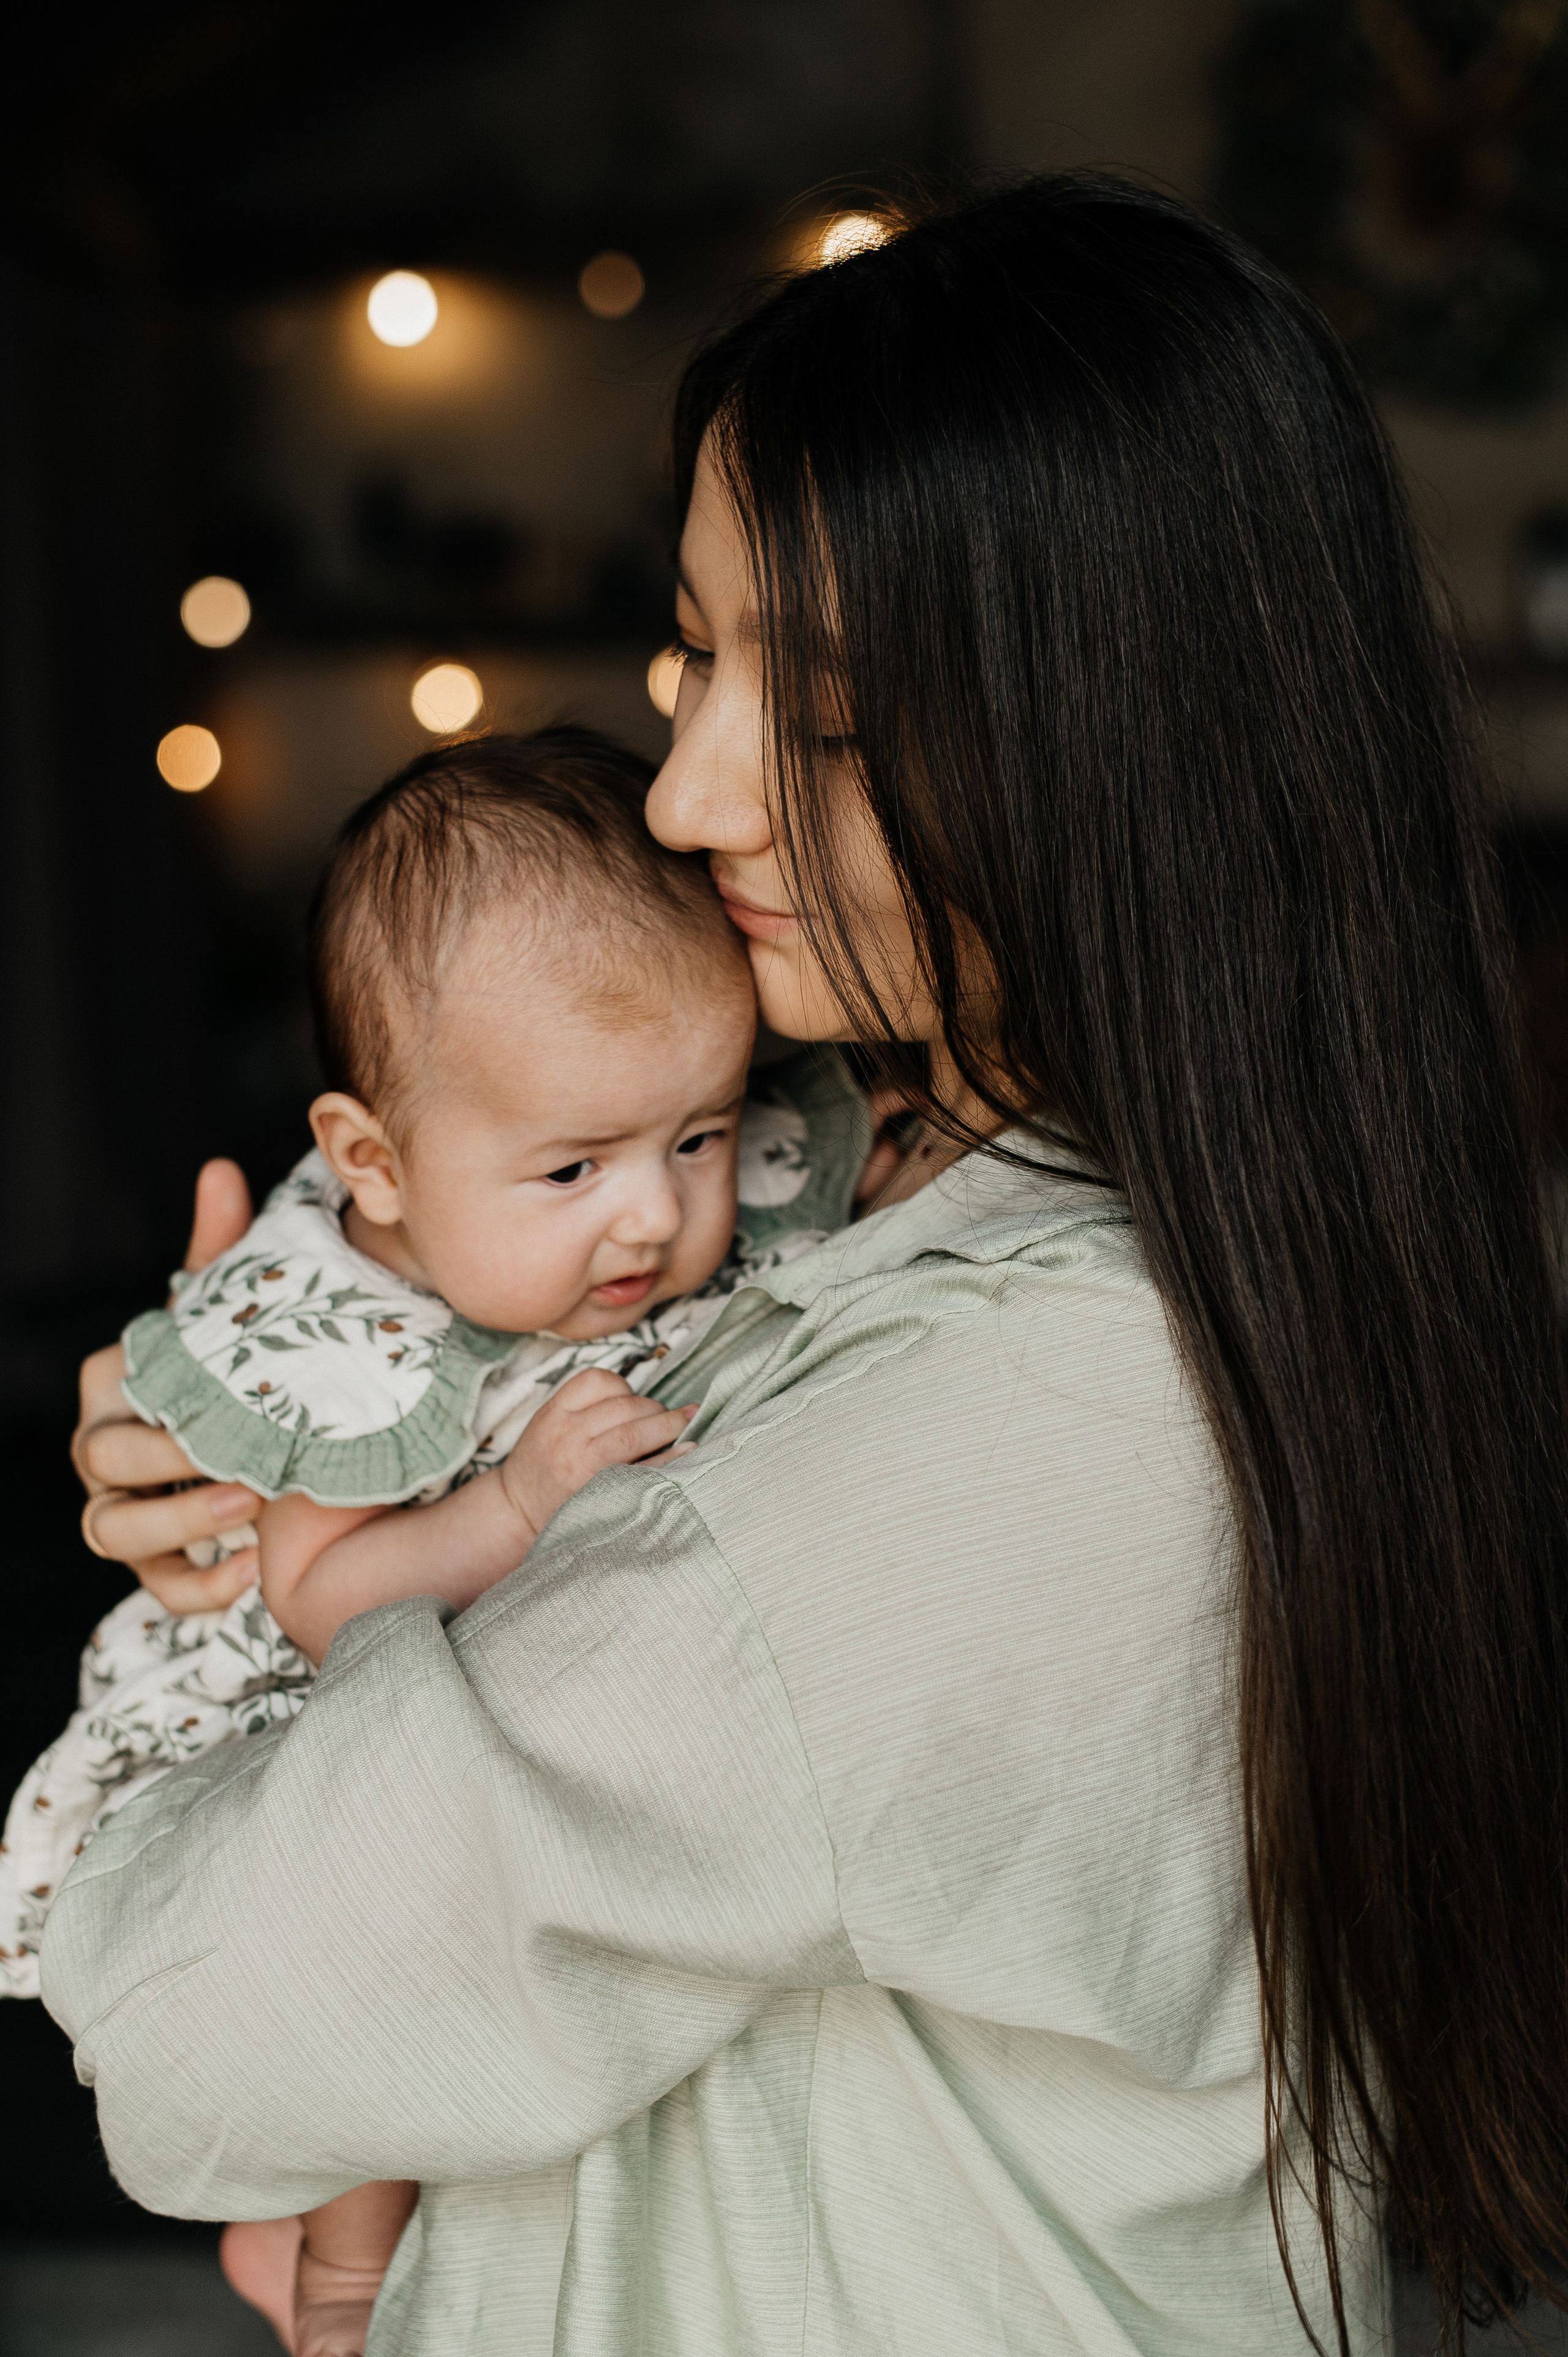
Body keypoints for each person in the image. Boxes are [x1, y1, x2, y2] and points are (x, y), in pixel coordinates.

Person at [44, 174, 1568, 2356]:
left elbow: (194, 2026)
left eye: (829, 718)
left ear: (1112, 748)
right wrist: (269, 1429)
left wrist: (302, 1601)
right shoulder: (908, 1177)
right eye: (700, 654)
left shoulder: (1000, 1452)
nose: (686, 794)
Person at [5, 726, 865, 2355]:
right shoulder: (336, 1327)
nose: (652, 1215)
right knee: (376, 1958)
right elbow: (321, 1595)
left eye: (693, 1135)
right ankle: (330, 2281)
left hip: (552, 1728)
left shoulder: (671, 1208)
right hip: (316, 1713)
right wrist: (514, 1503)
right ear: (372, 1165)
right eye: (574, 1167)